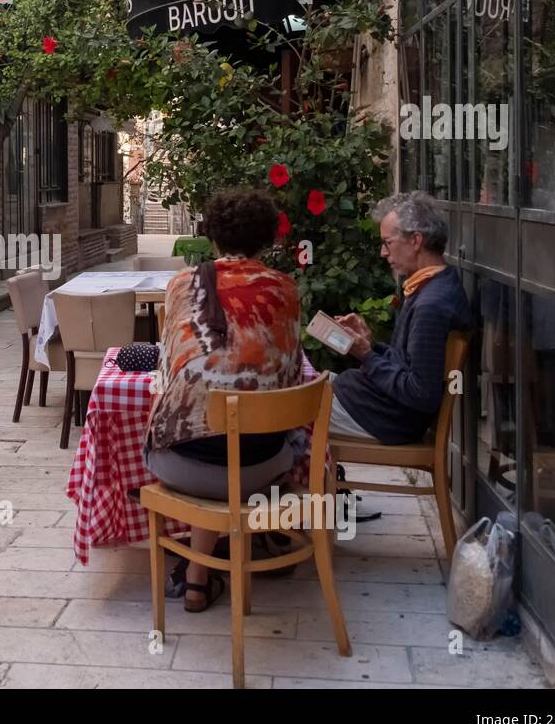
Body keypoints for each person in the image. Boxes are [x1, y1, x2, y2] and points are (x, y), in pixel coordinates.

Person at [144, 189, 304, 612]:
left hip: (186, 468)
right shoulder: (285, 289)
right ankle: (255, 543)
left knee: (200, 432)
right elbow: (288, 374)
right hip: (262, 467)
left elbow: (167, 375)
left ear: (212, 236)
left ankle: (198, 574)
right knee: (234, 440)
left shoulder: (182, 285)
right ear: (268, 240)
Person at [330, 191, 473, 443]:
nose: (383, 253)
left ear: (416, 240)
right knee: (292, 391)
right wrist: (370, 345)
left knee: (283, 412)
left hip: (383, 418)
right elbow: (406, 363)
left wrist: (366, 356)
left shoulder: (431, 305)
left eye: (388, 242)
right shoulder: (430, 285)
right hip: (371, 404)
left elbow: (420, 393)